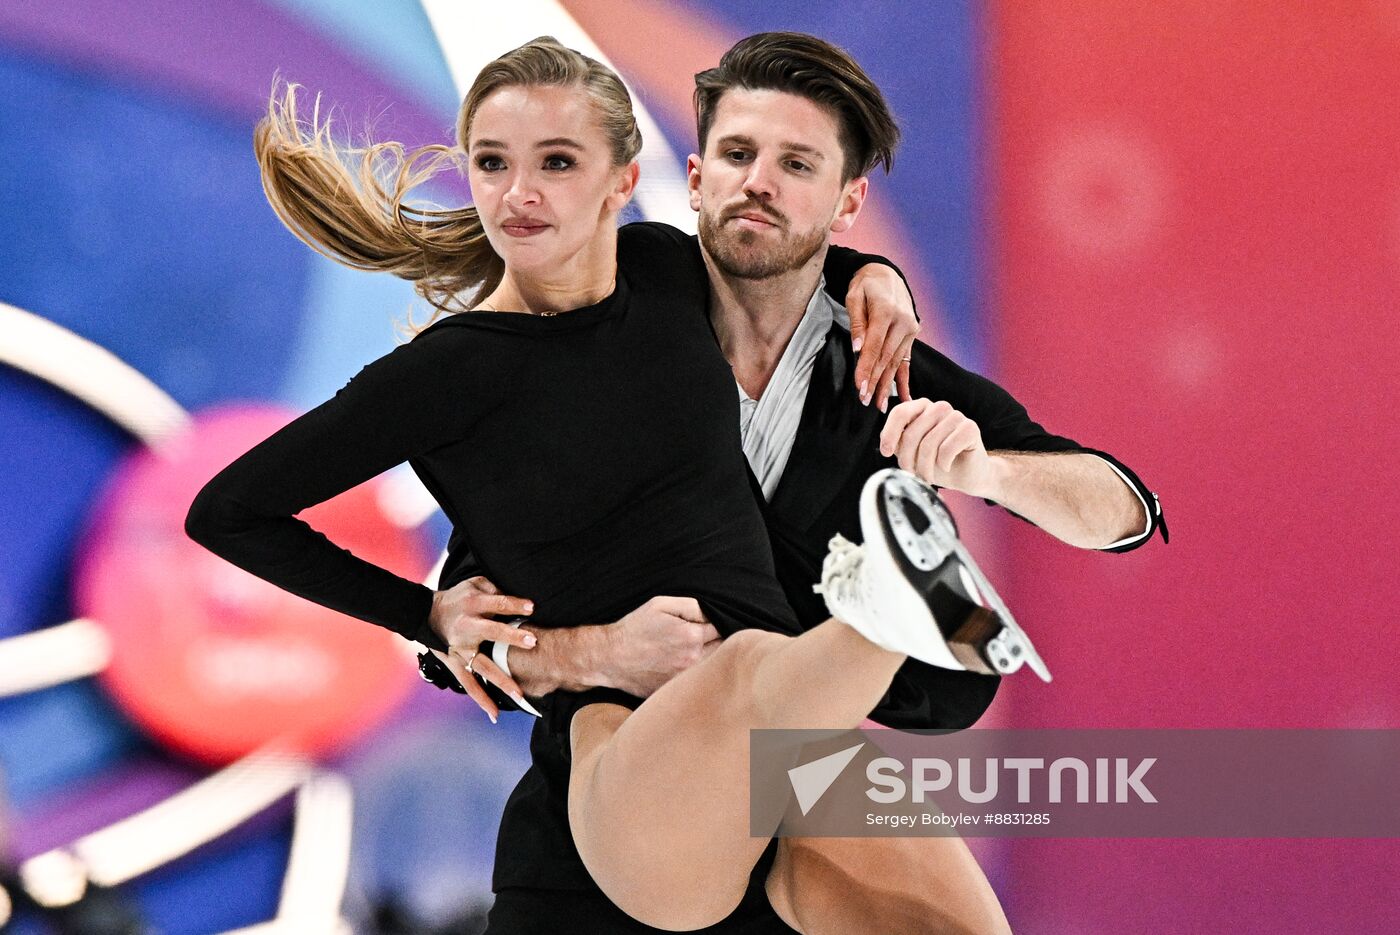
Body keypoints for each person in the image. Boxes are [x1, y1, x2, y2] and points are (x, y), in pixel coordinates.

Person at [184, 35, 1033, 934]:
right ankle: (885, 610)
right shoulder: (441, 376)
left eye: (556, 161)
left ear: (623, 180)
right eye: (493, 162)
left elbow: (790, 257)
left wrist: (878, 280)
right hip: (635, 774)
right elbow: (229, 511)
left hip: (800, 753)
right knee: (745, 666)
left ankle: (889, 611)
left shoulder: (671, 272)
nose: (520, 193)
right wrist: (423, 616)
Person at [430, 33, 1165, 935]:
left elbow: (1125, 512)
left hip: (803, 808)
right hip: (609, 831)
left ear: (848, 200)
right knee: (735, 683)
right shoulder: (589, 349)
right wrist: (598, 651)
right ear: (695, 177)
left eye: (796, 163)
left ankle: (884, 613)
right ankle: (882, 611)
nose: (759, 182)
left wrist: (987, 471)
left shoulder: (889, 372)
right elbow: (462, 632)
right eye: (738, 155)